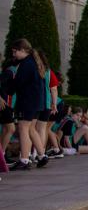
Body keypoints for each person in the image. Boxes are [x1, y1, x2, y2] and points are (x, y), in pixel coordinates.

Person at [8, 39, 48, 169]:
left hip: (28, 102)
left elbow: (19, 82)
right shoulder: (34, 62)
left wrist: (8, 89)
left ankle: (24, 160)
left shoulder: (26, 63)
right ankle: (42, 156)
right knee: (31, 129)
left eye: (15, 51)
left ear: (23, 50)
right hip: (36, 102)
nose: (14, 54)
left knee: (23, 128)